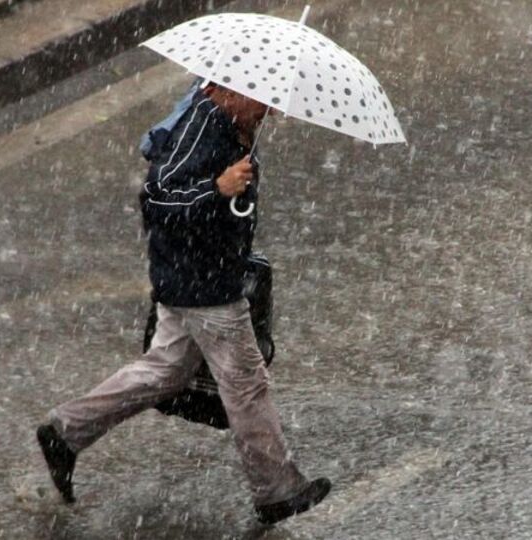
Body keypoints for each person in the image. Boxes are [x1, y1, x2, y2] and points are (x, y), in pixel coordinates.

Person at [35, 81, 331, 525]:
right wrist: (218, 188)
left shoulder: (225, 122)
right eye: (262, 99)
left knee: (165, 370)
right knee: (246, 382)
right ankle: (276, 489)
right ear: (226, 89)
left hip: (195, 276)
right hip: (203, 284)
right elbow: (157, 199)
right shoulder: (200, 127)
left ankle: (66, 431)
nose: (269, 110)